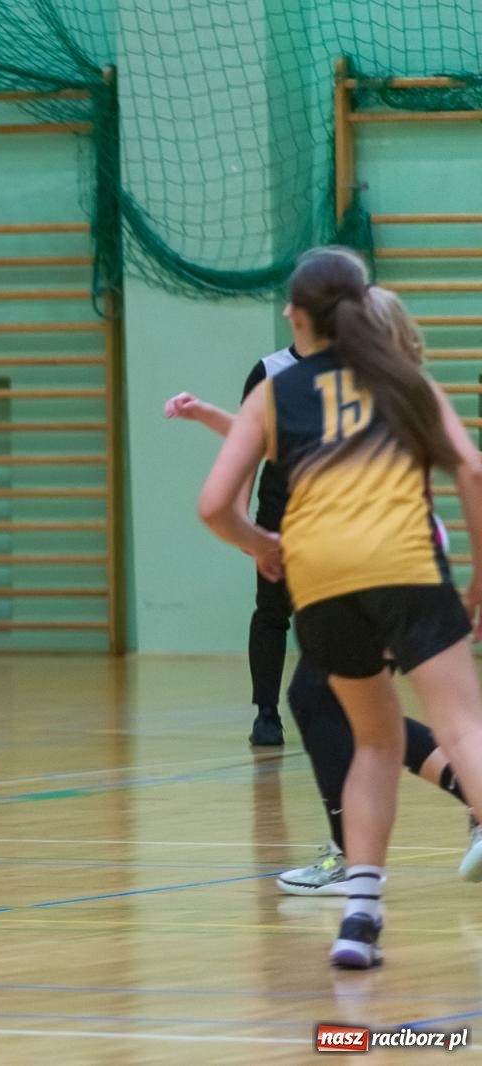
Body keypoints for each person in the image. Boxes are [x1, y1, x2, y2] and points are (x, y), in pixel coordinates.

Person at [197, 247, 482, 968]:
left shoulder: (274, 388)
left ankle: (359, 917)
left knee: (374, 741)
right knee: (461, 722)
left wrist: (261, 543)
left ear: (296, 314)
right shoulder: (401, 378)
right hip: (404, 563)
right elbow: (472, 467)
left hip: (317, 577)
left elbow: (212, 507)